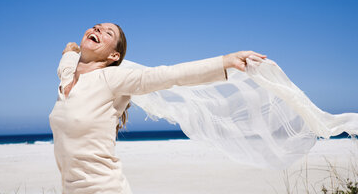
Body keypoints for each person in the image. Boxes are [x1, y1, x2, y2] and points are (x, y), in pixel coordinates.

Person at [49, 22, 267, 194]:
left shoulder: (112, 78)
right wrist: (70, 50)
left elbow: (168, 75)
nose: (98, 29)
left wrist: (225, 61)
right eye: (97, 26)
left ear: (113, 56)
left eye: (108, 33)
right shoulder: (67, 74)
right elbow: (68, 61)